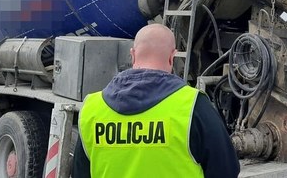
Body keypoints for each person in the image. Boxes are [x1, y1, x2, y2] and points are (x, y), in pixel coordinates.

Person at [73, 23, 240, 178]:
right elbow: (226, 170)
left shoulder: (92, 108)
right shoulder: (192, 105)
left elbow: (80, 173)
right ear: (171, 57)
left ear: (132, 55)